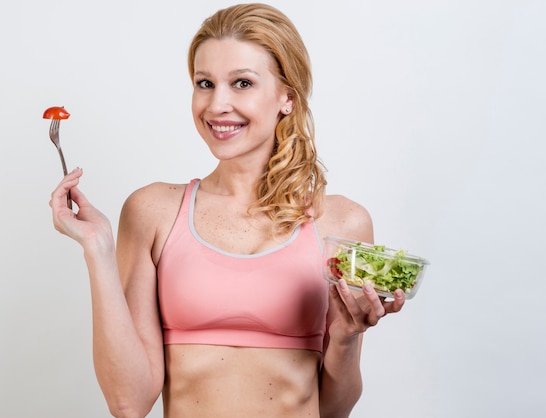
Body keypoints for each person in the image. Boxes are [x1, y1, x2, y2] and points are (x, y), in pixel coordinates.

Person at [50, 3, 405, 417]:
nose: (217, 104)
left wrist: (344, 337)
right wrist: (97, 250)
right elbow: (128, 401)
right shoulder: (152, 211)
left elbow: (333, 410)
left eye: (241, 83)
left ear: (287, 96)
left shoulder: (342, 223)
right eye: (205, 83)